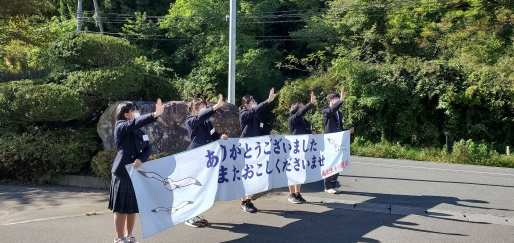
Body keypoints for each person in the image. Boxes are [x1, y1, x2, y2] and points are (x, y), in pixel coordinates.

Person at [109, 99, 164, 243]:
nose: (137, 113)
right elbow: (134, 123)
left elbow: (148, 147)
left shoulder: (139, 131)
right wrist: (153, 115)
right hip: (122, 172)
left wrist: (141, 158)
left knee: (132, 208)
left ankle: (129, 236)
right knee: (121, 208)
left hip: (135, 172)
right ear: (126, 115)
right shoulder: (120, 126)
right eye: (134, 110)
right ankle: (119, 238)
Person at [184, 95, 229, 227]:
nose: (205, 108)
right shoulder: (191, 119)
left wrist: (221, 136)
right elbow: (200, 117)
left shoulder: (207, 122)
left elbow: (214, 135)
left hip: (205, 157)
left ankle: (196, 213)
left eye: (206, 106)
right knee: (193, 186)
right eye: (203, 107)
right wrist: (215, 107)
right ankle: (189, 216)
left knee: (201, 186)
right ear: (194, 109)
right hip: (194, 157)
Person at [239, 88, 277, 213]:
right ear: (246, 104)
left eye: (255, 101)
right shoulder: (244, 114)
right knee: (246, 174)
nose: (254, 103)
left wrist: (269, 132)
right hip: (246, 149)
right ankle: (244, 201)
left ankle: (248, 200)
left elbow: (260, 131)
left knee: (252, 174)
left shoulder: (256, 118)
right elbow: (254, 110)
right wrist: (267, 101)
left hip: (255, 148)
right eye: (252, 101)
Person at [322, 87, 354, 194]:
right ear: (330, 100)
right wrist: (341, 100)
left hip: (339, 141)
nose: (337, 100)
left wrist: (347, 131)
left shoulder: (338, 113)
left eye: (338, 98)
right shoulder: (326, 110)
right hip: (330, 141)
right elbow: (331, 110)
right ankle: (327, 186)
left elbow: (340, 127)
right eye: (335, 98)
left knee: (339, 163)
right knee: (330, 162)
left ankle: (333, 184)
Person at [287, 91, 317, 203]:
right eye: (301, 107)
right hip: (294, 148)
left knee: (300, 171)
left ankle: (298, 193)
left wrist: (311, 133)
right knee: (293, 172)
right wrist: (310, 103)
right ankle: (291, 194)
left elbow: (305, 129)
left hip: (303, 148)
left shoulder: (303, 119)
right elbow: (299, 114)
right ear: (296, 109)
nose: (303, 108)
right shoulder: (292, 118)